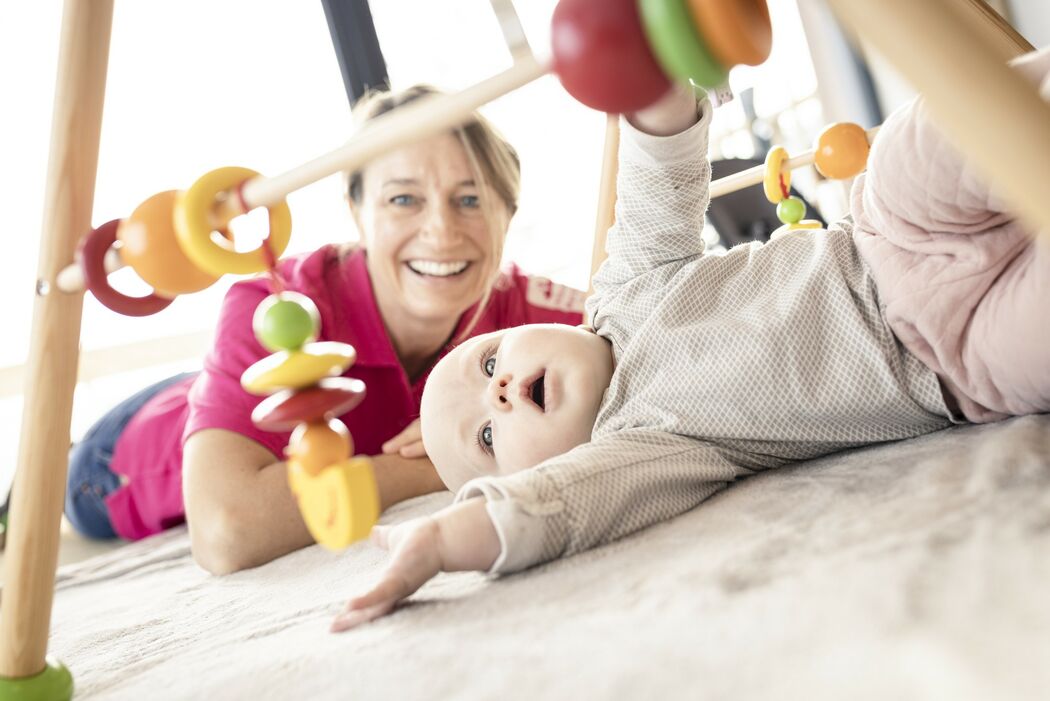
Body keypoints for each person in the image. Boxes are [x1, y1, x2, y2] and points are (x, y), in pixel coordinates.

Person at [329, 48, 1050, 632]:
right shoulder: (637, 449)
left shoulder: (625, 288)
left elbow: (660, 174)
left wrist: (656, 85)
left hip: (891, 236)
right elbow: (553, 509)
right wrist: (442, 539)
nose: (502, 390)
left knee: (923, 144)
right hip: (952, 364)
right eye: (489, 434)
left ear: (525, 330)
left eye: (491, 361)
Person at [63, 85, 588, 574]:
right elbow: (226, 531)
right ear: (357, 211)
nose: (441, 231)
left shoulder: (528, 312)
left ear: (508, 212)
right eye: (403, 199)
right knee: (57, 489)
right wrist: (433, 464)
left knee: (216, 385)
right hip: (118, 458)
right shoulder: (271, 306)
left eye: (470, 200)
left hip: (220, 395)